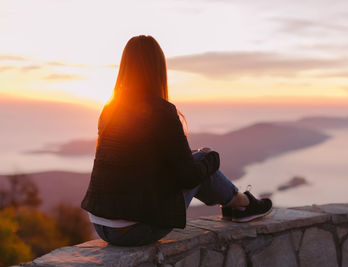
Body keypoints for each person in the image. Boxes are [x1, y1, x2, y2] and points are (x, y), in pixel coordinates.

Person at [80, 35, 273, 247]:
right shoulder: (161, 111)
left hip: (101, 226)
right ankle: (241, 203)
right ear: (157, 68)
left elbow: (146, 163)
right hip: (135, 230)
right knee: (201, 160)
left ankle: (236, 203)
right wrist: (211, 159)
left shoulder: (110, 109)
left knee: (193, 160)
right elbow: (188, 178)